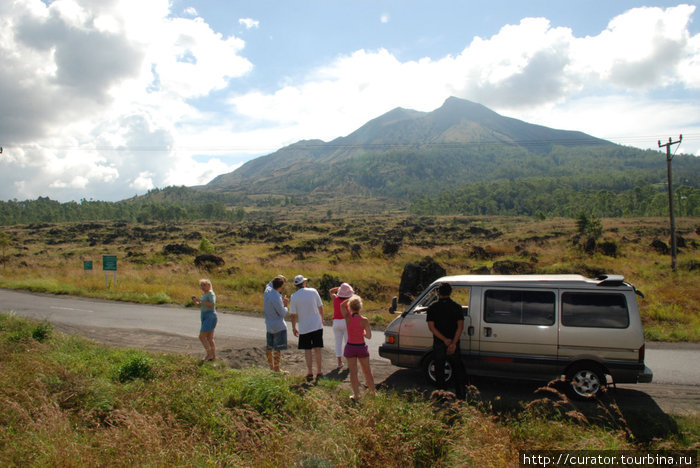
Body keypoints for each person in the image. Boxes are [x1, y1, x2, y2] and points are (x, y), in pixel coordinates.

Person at [426, 282, 467, 400]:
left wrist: (445, 340)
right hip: (454, 343)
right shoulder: (457, 307)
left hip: (440, 342)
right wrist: (453, 343)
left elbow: (431, 327)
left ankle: (441, 395)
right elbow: (460, 326)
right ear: (450, 292)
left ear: (438, 292)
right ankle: (461, 395)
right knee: (458, 368)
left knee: (439, 369)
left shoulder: (433, 307)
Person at [289, 274, 324, 381]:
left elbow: (293, 314)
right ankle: (319, 371)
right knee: (317, 348)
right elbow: (320, 306)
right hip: (316, 324)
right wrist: (322, 318)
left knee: (307, 350)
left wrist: (294, 327)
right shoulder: (313, 291)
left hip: (304, 327)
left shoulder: (294, 297)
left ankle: (310, 372)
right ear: (304, 283)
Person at [340, 294, 375, 401]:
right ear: (360, 307)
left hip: (350, 346)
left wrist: (349, 298)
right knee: (367, 370)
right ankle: (372, 392)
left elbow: (342, 305)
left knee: (353, 372)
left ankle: (356, 394)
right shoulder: (364, 320)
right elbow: (369, 336)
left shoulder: (347, 317)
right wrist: (363, 332)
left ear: (350, 307)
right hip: (361, 347)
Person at [264, 275, 290, 373]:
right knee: (278, 348)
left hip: (269, 324)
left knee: (269, 347)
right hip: (278, 325)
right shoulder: (276, 297)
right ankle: (277, 368)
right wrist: (285, 305)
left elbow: (269, 283)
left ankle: (271, 366)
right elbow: (282, 313)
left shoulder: (267, 291)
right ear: (280, 287)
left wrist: (279, 277)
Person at [329, 282, 354, 368]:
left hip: (336, 322)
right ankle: (349, 362)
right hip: (346, 322)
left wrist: (339, 288)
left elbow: (331, 291)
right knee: (348, 342)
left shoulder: (335, 299)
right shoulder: (349, 301)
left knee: (338, 343)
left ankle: (339, 362)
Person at [192, 278, 217, 361]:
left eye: (204, 285)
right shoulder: (204, 294)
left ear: (209, 285)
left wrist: (201, 301)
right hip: (204, 315)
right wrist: (196, 302)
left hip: (210, 315)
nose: (202, 287)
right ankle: (213, 356)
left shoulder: (210, 293)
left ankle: (209, 354)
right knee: (209, 338)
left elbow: (212, 304)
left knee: (202, 336)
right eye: (201, 285)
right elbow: (201, 305)